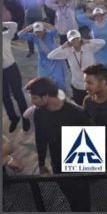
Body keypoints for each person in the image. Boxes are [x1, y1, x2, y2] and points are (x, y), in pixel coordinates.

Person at [25, 77, 91, 211]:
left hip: (78, 164)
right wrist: (42, 163)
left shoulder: (77, 114)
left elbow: (91, 143)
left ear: (46, 97)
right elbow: (41, 138)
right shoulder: (39, 113)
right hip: (57, 163)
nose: (32, 102)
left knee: (83, 199)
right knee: (70, 197)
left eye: (35, 98)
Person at [47, 29, 105, 106]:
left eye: (77, 38)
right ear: (69, 42)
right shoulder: (67, 51)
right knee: (80, 106)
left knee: (95, 105)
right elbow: (50, 56)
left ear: (80, 38)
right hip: (77, 85)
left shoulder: (88, 47)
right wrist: (63, 46)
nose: (75, 41)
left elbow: (102, 42)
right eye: (72, 40)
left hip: (92, 83)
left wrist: (88, 41)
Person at [76, 7, 107, 88]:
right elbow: (79, 17)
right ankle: (105, 89)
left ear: (103, 16)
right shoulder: (91, 24)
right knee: (101, 74)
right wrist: (90, 14)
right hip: (98, 52)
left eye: (100, 15)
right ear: (94, 17)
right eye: (96, 16)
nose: (99, 17)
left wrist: (105, 11)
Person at [17, 21, 67, 91]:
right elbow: (20, 35)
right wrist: (30, 27)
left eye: (40, 31)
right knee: (45, 81)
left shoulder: (50, 34)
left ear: (43, 30)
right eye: (36, 32)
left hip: (55, 61)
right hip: (43, 63)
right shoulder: (34, 36)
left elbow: (55, 30)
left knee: (59, 81)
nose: (38, 34)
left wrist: (45, 24)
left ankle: (62, 95)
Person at [3, 21, 30, 132]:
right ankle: (13, 118)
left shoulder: (5, 36)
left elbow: (14, 25)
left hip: (11, 69)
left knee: (18, 94)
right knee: (4, 97)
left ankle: (25, 118)